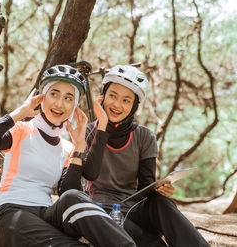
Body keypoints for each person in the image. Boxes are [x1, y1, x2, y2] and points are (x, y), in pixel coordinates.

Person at [0, 65, 136, 247]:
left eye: (68, 98)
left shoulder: (67, 147)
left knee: (73, 196)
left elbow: (68, 192)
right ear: (42, 97)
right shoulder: (22, 130)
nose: (59, 104)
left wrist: (80, 144)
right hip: (11, 212)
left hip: (47, 215)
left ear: (74, 106)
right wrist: (22, 112)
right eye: (54, 94)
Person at [59, 65, 210, 247]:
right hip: (102, 210)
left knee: (162, 202)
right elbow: (88, 176)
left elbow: (146, 187)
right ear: (103, 96)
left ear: (133, 106)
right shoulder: (88, 131)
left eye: (126, 100)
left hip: (134, 209)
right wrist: (103, 127)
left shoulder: (145, 136)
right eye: (112, 95)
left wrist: (162, 190)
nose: (116, 104)